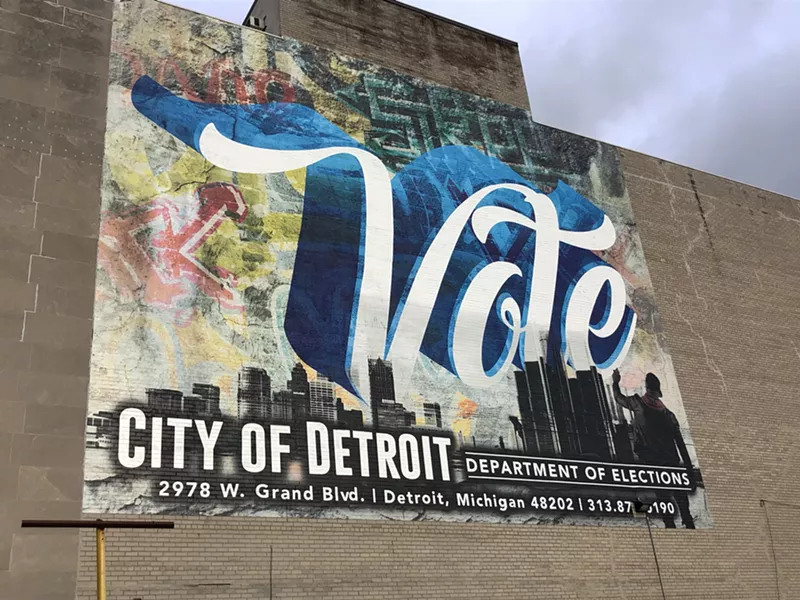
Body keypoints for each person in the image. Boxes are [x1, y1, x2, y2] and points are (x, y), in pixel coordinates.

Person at [611, 369, 695, 528]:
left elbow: (618, 398)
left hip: (653, 461)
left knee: (662, 496)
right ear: (658, 391)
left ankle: (670, 524)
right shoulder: (669, 414)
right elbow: (681, 444)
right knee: (679, 493)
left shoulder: (638, 404)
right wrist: (688, 467)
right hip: (672, 461)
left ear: (647, 388)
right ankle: (688, 520)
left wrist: (616, 381)